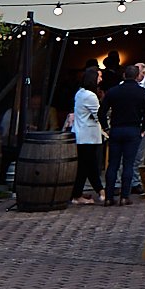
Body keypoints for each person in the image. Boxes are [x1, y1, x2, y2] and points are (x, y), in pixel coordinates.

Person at [100, 62, 145, 207]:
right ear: (137, 76)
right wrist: (143, 128)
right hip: (133, 129)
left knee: (113, 164)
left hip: (116, 129)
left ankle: (109, 197)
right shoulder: (142, 92)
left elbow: (102, 112)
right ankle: (124, 196)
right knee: (129, 163)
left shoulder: (113, 91)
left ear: (124, 75)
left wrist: (106, 128)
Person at [63, 65, 105, 206]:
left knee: (88, 165)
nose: (101, 79)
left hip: (81, 134)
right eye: (99, 77)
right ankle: (77, 195)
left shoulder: (80, 93)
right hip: (88, 136)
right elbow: (98, 115)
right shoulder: (90, 96)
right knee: (85, 166)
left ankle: (98, 190)